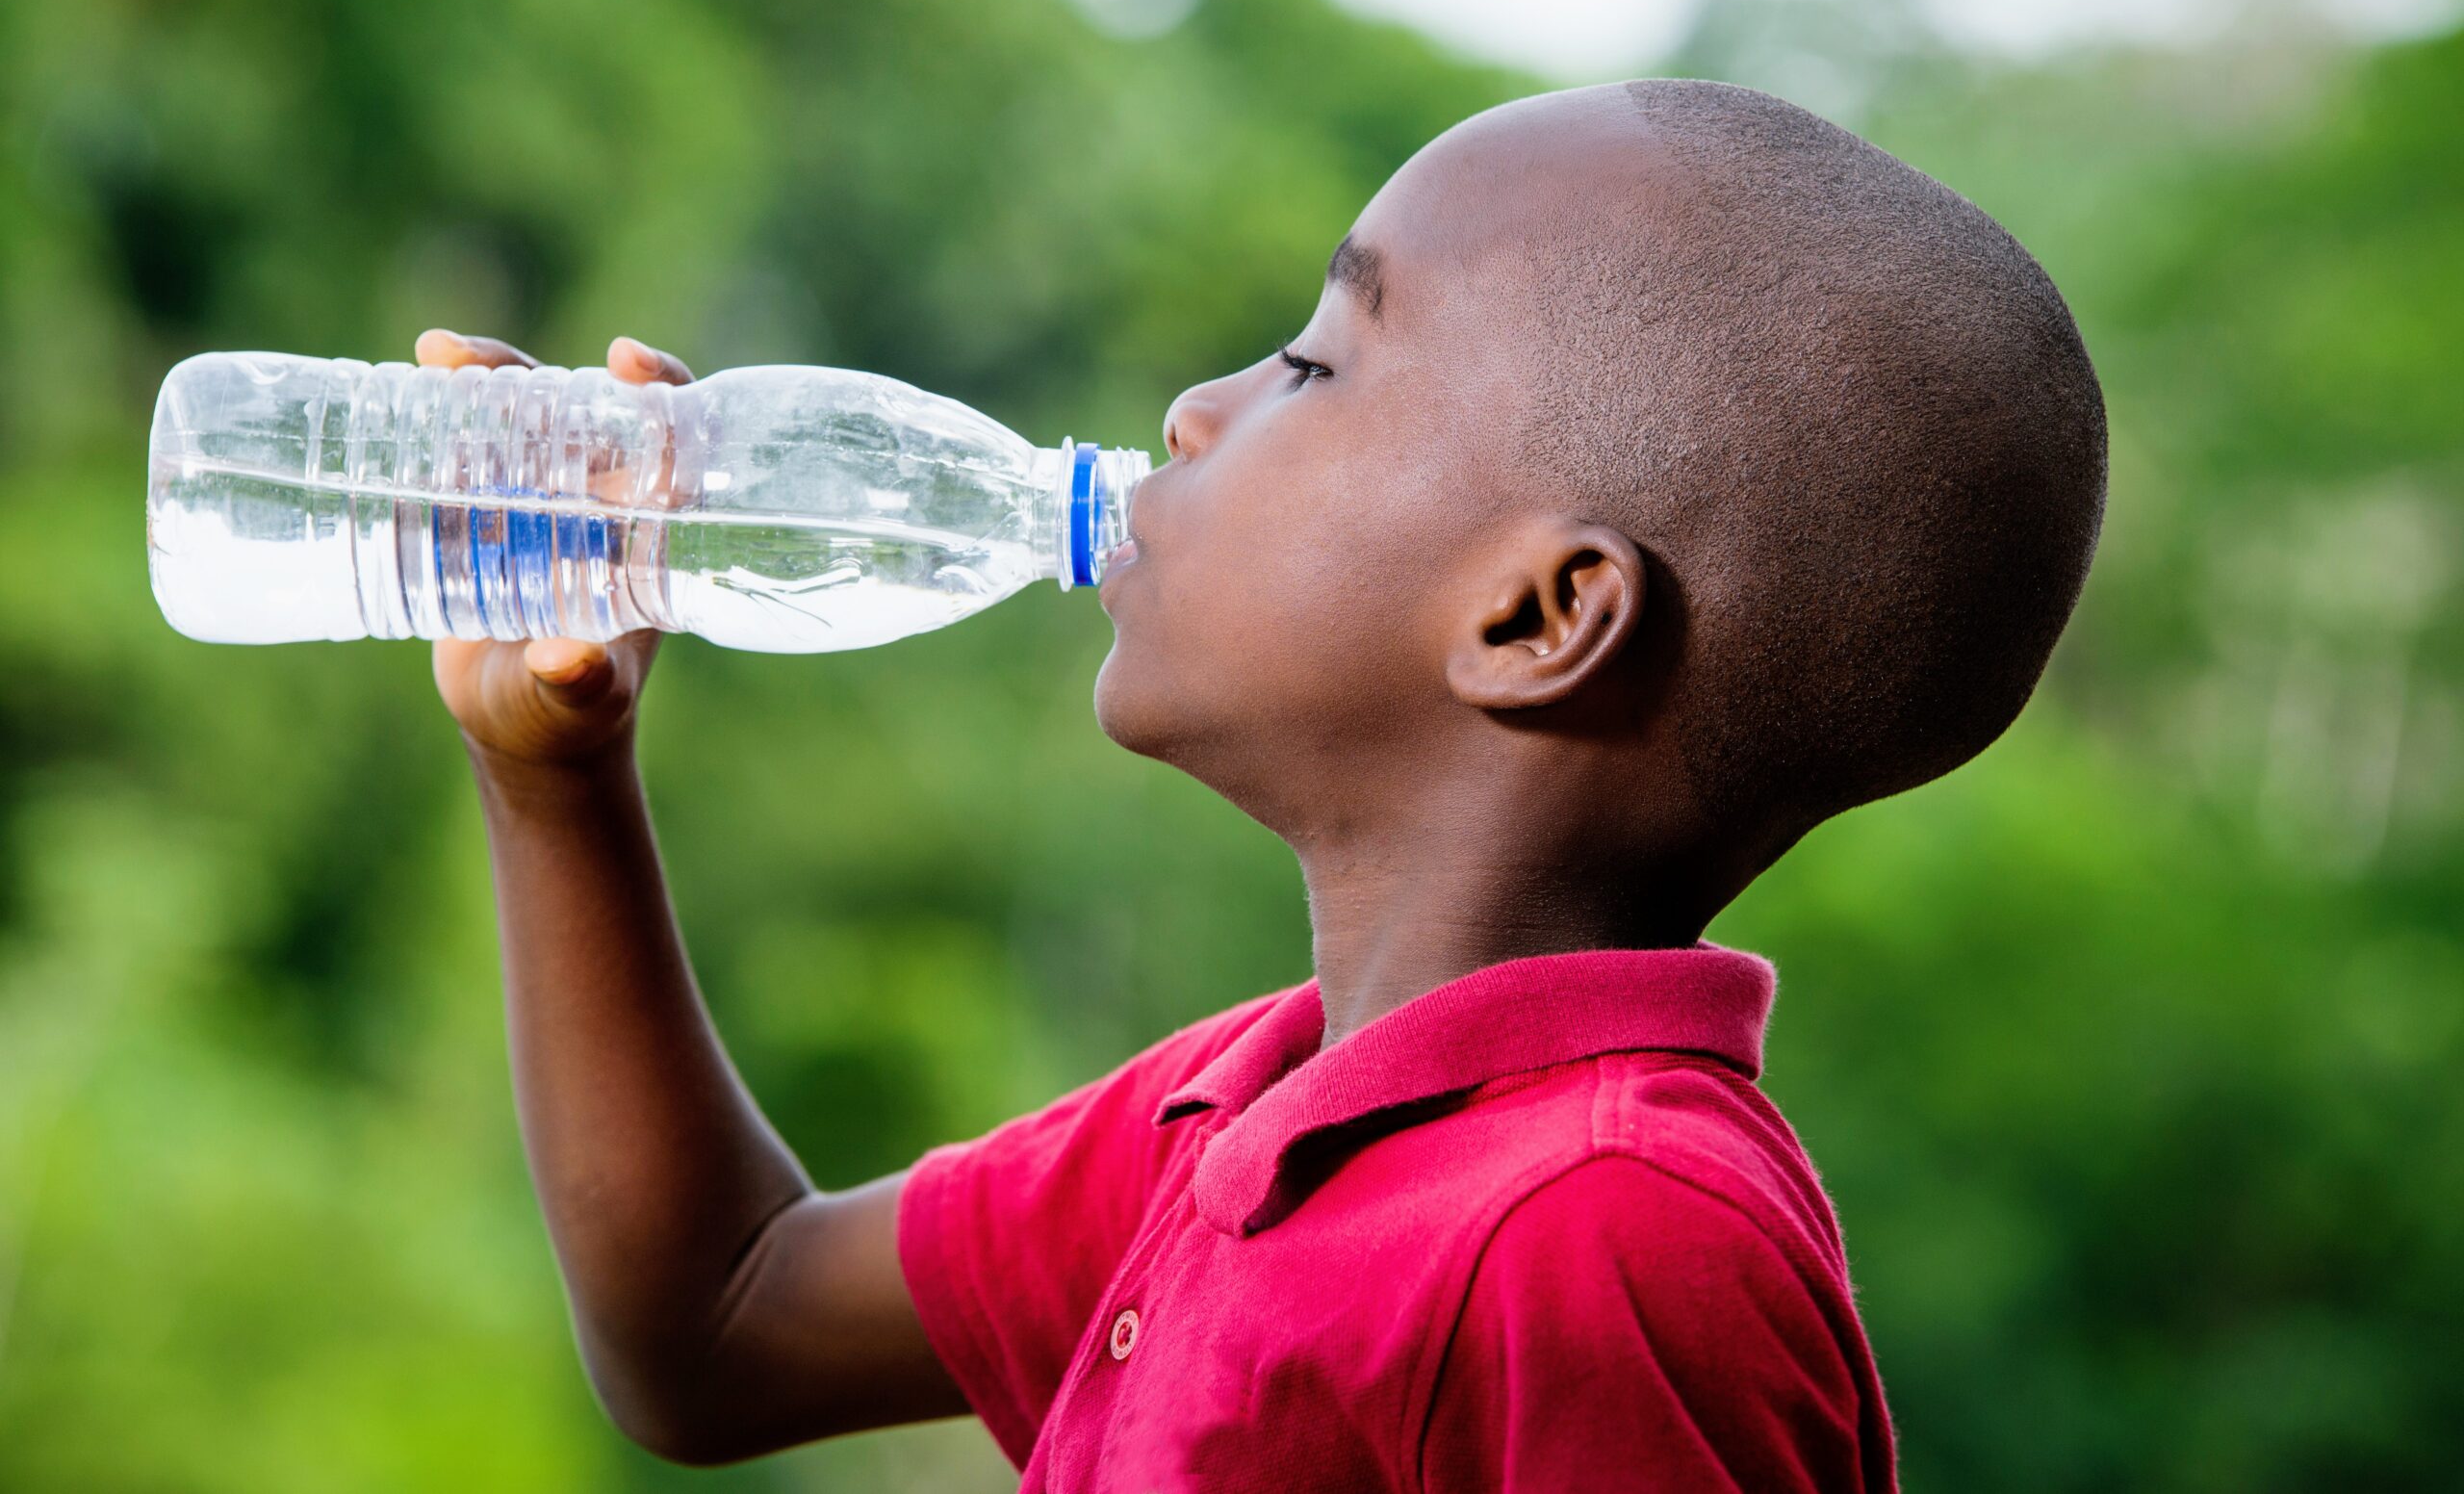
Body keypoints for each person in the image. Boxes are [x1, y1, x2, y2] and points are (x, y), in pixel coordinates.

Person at [420, 79, 2106, 1491]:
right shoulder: (1253, 1112)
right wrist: (556, 775)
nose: (1191, 412)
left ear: (1536, 618)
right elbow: (717, 1325)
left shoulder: (1608, 1238)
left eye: (1311, 367)